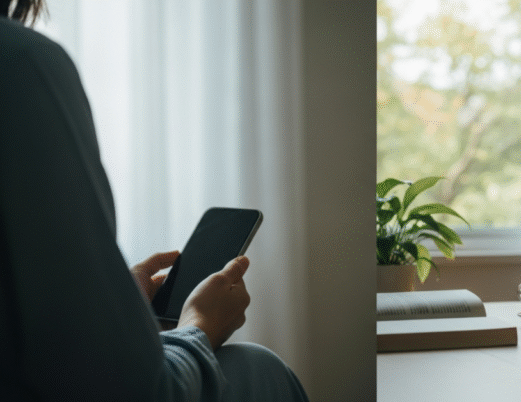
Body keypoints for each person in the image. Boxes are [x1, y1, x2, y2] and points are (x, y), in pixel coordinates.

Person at [0, 1, 308, 400]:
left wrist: (108, 306)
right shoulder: (22, 64)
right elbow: (137, 392)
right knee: (257, 368)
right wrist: (198, 328)